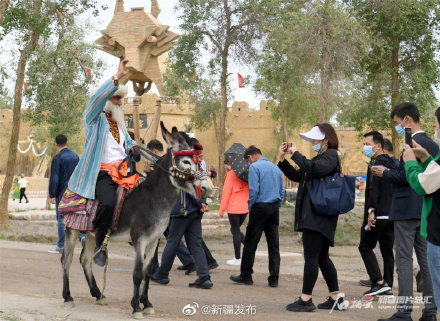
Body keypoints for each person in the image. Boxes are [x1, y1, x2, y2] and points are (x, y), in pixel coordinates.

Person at [66, 59, 139, 267]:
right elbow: (95, 100)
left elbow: (128, 144)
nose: (119, 103)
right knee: (107, 203)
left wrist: (134, 149)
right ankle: (99, 245)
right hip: (102, 174)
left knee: (148, 193)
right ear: (107, 99)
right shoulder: (93, 120)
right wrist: (116, 77)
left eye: (120, 99)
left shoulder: (120, 124)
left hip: (125, 172)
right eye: (116, 98)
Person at [372, 102, 438, 321]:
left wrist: (385, 173)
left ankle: (404, 311)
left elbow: (406, 176)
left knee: (403, 261)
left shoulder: (413, 143)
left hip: (405, 209)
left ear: (407, 120)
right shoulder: (433, 144)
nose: (398, 127)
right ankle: (429, 310)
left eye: (398, 123)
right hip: (425, 211)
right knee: (427, 263)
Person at [277, 124, 346, 312]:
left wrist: (296, 154)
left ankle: (306, 299)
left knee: (312, 257)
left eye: (315, 140)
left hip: (318, 214)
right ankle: (336, 298)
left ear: (326, 140)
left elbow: (314, 169)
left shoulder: (331, 155)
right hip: (318, 214)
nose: (312, 143)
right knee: (322, 257)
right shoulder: (320, 158)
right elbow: (300, 175)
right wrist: (283, 159)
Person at [230, 145, 284, 288]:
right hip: (273, 208)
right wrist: (278, 203)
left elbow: (254, 190)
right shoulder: (274, 167)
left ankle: (246, 275)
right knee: (273, 245)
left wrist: (250, 206)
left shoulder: (254, 168)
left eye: (248, 160)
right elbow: (281, 189)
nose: (249, 163)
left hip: (259, 207)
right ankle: (274, 279)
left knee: (250, 242)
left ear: (251, 156)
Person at [403, 107, 440, 310]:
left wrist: (410, 163)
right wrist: (426, 158)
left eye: (436, 126)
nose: (435, 131)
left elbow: (422, 184)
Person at [146, 139, 196, 276]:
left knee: (154, 236)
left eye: (150, 153)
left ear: (154, 151)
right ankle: (188, 260)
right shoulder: (170, 162)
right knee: (170, 236)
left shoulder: (161, 165)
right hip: (169, 206)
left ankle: (153, 268)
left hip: (161, 207)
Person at [359, 131, 395, 297]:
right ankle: (387, 286)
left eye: (367, 144)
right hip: (391, 214)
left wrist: (371, 210)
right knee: (387, 250)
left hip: (378, 214)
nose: (365, 147)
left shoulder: (375, 162)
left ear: (378, 145)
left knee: (365, 246)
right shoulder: (391, 162)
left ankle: (378, 282)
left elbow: (373, 188)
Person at [152, 191, 213, 289]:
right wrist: (202, 203)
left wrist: (199, 203)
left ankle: (162, 274)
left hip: (182, 209)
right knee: (196, 245)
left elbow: (187, 187)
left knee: (172, 242)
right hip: (196, 210)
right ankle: (204, 277)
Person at [48, 135, 82, 254]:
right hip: (75, 191)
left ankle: (61, 246)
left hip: (62, 193)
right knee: (76, 217)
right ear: (67, 142)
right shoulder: (75, 156)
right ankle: (82, 238)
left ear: (56, 144)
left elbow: (55, 177)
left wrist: (52, 194)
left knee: (61, 219)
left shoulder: (58, 158)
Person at [219, 159, 249, 265]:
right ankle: (250, 249)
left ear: (231, 163)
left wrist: (222, 210)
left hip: (234, 208)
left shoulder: (231, 175)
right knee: (235, 230)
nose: (227, 166)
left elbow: (226, 193)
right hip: (245, 208)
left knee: (235, 231)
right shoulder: (247, 174)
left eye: (227, 164)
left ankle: (237, 258)